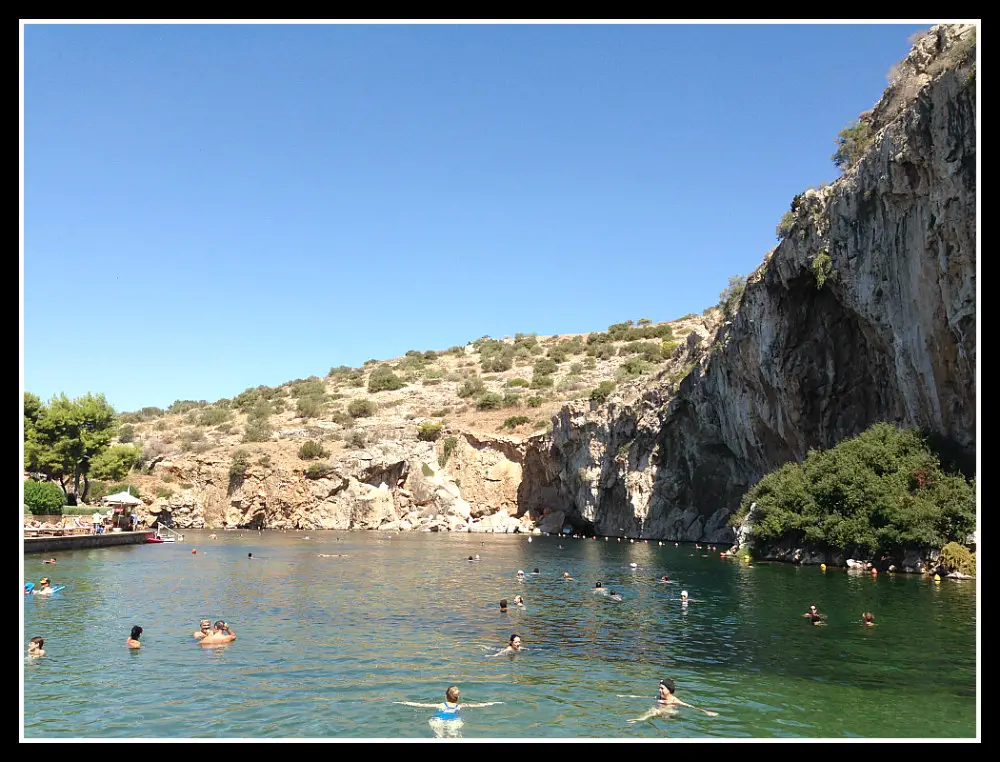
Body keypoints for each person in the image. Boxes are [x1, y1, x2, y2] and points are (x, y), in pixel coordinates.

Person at [627, 679, 719, 723]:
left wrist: (706, 712)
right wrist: (630, 696)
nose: (660, 690)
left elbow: (689, 706)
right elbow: (646, 697)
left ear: (669, 690)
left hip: (671, 712)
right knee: (655, 710)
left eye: (662, 688)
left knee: (655, 710)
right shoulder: (659, 697)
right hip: (662, 713)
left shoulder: (675, 700)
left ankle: (638, 720)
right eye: (659, 688)